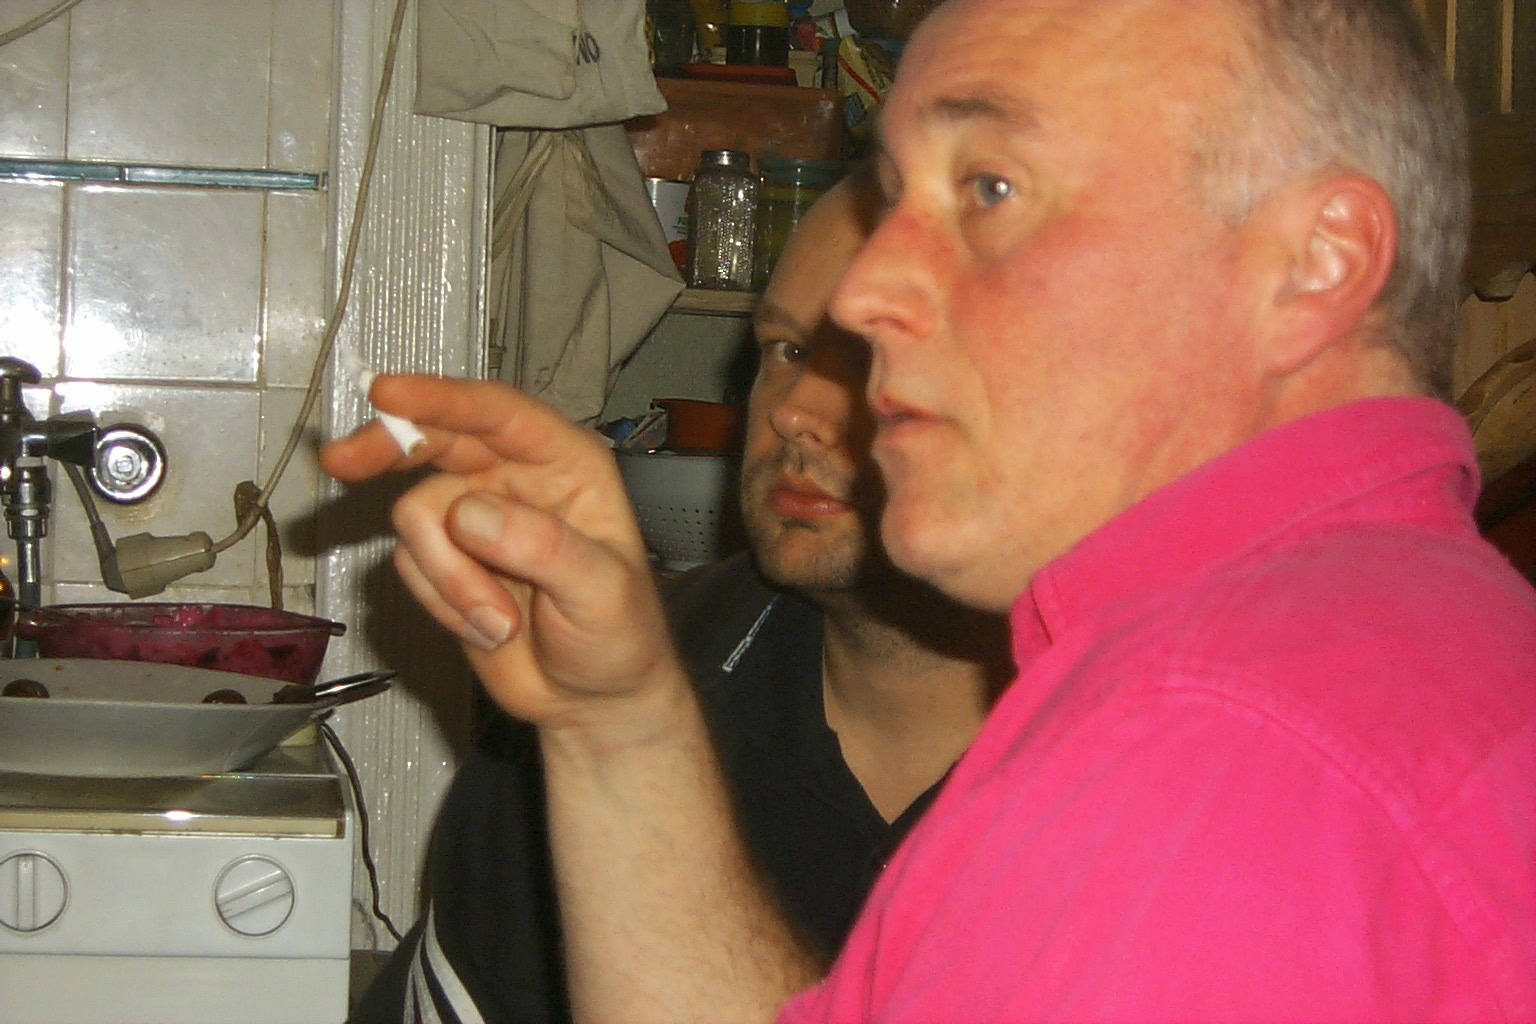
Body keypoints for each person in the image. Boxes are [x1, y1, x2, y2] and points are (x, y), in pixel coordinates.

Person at [323, 0, 1536, 1019]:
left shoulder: (1212, 750)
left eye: (990, 186)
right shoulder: (1427, 642)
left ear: (1315, 262)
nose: (864, 291)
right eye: (901, 195)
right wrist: (618, 721)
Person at [344, 177, 1013, 1023]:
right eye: (786, 351)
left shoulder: (1145, 753)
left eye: (871, 356)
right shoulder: (597, 682)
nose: (796, 411)